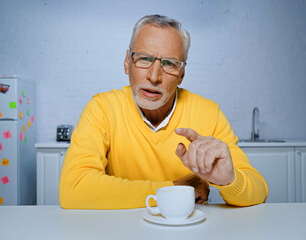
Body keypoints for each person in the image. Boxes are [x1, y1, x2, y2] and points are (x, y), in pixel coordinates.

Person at [59, 14, 268, 209]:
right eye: (143, 58)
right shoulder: (103, 109)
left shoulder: (208, 114)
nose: (154, 76)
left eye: (170, 64)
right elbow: (73, 189)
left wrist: (229, 180)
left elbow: (259, 190)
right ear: (127, 62)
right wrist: (173, 190)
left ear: (182, 74)